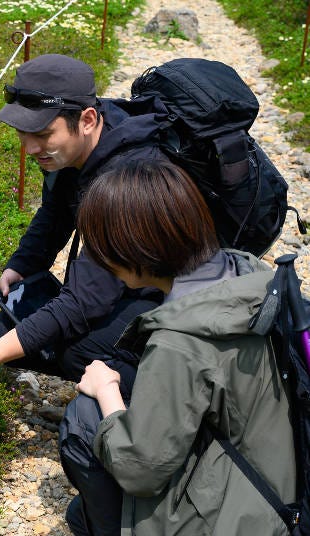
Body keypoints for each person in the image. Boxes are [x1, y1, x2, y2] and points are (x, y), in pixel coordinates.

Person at [60, 160, 296, 535]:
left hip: (240, 520)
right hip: (279, 489)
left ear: (133, 252)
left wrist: (106, 393)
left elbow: (140, 469)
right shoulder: (248, 274)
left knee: (85, 418)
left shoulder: (181, 340)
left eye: (103, 249)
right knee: (78, 514)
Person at [0, 54, 170, 381]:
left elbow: (85, 302)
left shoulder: (128, 178)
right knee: (4, 331)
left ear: (86, 120)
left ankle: (158, 395)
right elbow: (56, 210)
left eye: (42, 134)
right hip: (128, 266)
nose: (29, 148)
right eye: (22, 132)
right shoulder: (85, 141)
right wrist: (23, 265)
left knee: (82, 356)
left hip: (176, 286)